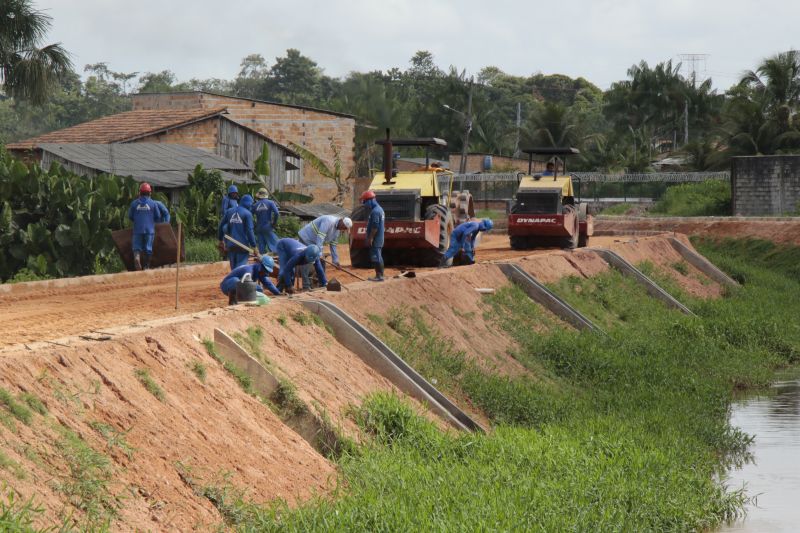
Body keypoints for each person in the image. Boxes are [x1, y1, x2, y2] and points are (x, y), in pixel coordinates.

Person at [297, 215, 353, 289]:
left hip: (314, 242)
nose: (343, 230)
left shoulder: (337, 232)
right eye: (344, 228)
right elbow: (320, 238)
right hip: (306, 237)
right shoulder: (329, 221)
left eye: (345, 229)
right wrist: (319, 253)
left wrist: (335, 261)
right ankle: (306, 286)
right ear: (342, 222)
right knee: (307, 260)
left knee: (321, 261)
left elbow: (333, 245)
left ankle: (321, 282)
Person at [127, 182, 170, 271]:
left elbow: (130, 216)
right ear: (149, 193)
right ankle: (146, 266)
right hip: (149, 230)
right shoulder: (154, 204)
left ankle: (137, 258)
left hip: (137, 230)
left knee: (136, 247)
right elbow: (158, 216)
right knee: (148, 248)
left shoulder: (134, 203)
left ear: (140, 192)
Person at [218, 194, 257, 269]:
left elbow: (221, 226)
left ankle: (233, 279)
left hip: (230, 246)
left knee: (233, 269)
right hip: (243, 246)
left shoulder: (229, 211)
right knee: (239, 270)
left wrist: (220, 240)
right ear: (248, 203)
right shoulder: (247, 214)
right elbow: (250, 231)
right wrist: (254, 246)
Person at [361, 190, 385, 282]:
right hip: (379, 238)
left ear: (370, 200)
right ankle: (380, 275)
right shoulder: (380, 209)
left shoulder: (375, 211)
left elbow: (375, 226)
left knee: (376, 257)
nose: (365, 204)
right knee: (378, 256)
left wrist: (370, 238)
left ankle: (379, 276)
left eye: (365, 202)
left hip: (376, 238)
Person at [252, 188, 280, 254]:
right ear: (266, 195)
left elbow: (250, 215)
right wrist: (274, 223)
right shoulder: (270, 203)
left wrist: (254, 223)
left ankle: (262, 261)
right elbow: (276, 213)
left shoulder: (255, 205)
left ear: (259, 195)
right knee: (277, 245)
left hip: (259, 228)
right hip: (268, 226)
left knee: (261, 249)